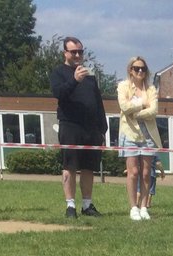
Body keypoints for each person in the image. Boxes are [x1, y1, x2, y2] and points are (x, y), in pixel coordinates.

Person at [50, 36, 107, 219]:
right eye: (73, 52)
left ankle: (87, 205)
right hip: (70, 126)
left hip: (91, 129)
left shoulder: (89, 76)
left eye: (80, 52)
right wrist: (74, 80)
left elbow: (98, 103)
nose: (77, 55)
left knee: (89, 168)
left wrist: (102, 129)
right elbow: (59, 93)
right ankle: (70, 206)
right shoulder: (58, 73)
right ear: (65, 53)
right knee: (70, 167)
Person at [117, 55, 158, 221]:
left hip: (148, 134)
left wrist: (135, 112)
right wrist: (142, 105)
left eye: (143, 68)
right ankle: (133, 207)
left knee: (147, 173)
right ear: (130, 70)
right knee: (133, 172)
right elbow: (124, 107)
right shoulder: (123, 86)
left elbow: (154, 110)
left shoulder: (151, 89)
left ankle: (143, 207)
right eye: (136, 68)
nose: (140, 71)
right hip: (130, 133)